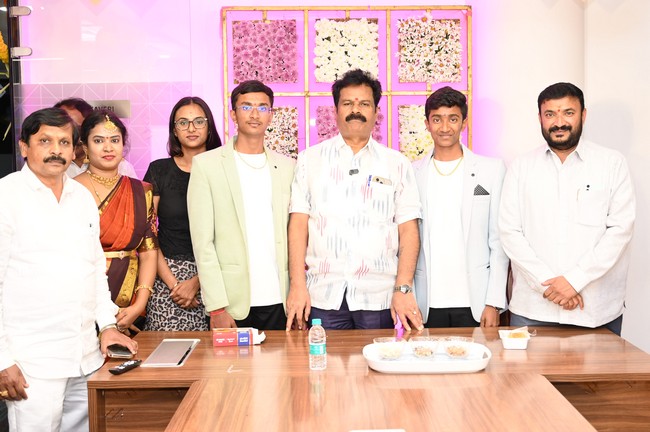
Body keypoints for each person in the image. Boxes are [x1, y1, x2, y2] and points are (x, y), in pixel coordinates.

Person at [0, 108, 137, 431]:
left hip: (85, 357)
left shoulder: (81, 197)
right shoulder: (7, 196)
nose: (55, 150)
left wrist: (107, 326)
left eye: (63, 142)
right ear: (24, 147)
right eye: (45, 141)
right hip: (32, 362)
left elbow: (94, 270)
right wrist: (2, 360)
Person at [285, 69, 423, 331]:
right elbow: (298, 225)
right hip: (323, 295)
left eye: (364, 104)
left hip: (380, 297)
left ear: (376, 112)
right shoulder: (309, 160)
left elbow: (408, 229)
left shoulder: (396, 163)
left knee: (380, 358)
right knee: (322, 359)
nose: (355, 110)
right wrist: (297, 285)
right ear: (336, 110)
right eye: (348, 103)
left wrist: (403, 289)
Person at [499, 82, 636, 335]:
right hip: (533, 309)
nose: (559, 122)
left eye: (568, 113)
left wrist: (575, 281)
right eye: (550, 114)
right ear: (540, 118)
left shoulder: (612, 163)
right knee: (528, 365)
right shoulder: (521, 167)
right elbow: (510, 232)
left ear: (583, 115)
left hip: (596, 309)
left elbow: (620, 230)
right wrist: (550, 287)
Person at [188, 80, 295, 330]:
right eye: (246, 107)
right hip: (231, 302)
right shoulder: (207, 165)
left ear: (271, 115)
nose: (255, 114)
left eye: (263, 107)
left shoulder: (288, 166)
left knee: (284, 357)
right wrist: (216, 307)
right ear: (233, 114)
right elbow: (203, 244)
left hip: (280, 298)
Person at [412, 86, 509, 328]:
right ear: (427, 124)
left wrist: (494, 302)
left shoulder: (491, 170)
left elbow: (499, 241)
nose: (445, 127)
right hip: (425, 302)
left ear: (464, 123)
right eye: (437, 119)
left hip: (476, 302)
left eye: (453, 119)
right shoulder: (411, 173)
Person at [74, 109, 159, 334]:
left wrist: (139, 304)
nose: (108, 147)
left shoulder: (141, 191)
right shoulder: (71, 190)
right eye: (98, 141)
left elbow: (149, 251)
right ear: (85, 146)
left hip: (130, 301)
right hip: (82, 301)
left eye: (114, 140)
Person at [143, 97, 222, 331]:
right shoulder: (159, 170)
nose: (191, 128)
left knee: (219, 352)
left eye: (199, 121)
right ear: (174, 131)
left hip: (219, 275)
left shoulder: (224, 169)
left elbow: (235, 233)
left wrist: (198, 281)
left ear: (209, 127)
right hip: (167, 275)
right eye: (183, 123)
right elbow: (147, 233)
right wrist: (175, 285)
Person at [55, 97, 138, 179]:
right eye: (62, 129)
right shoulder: (52, 165)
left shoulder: (122, 167)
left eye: (77, 129)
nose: (70, 135)